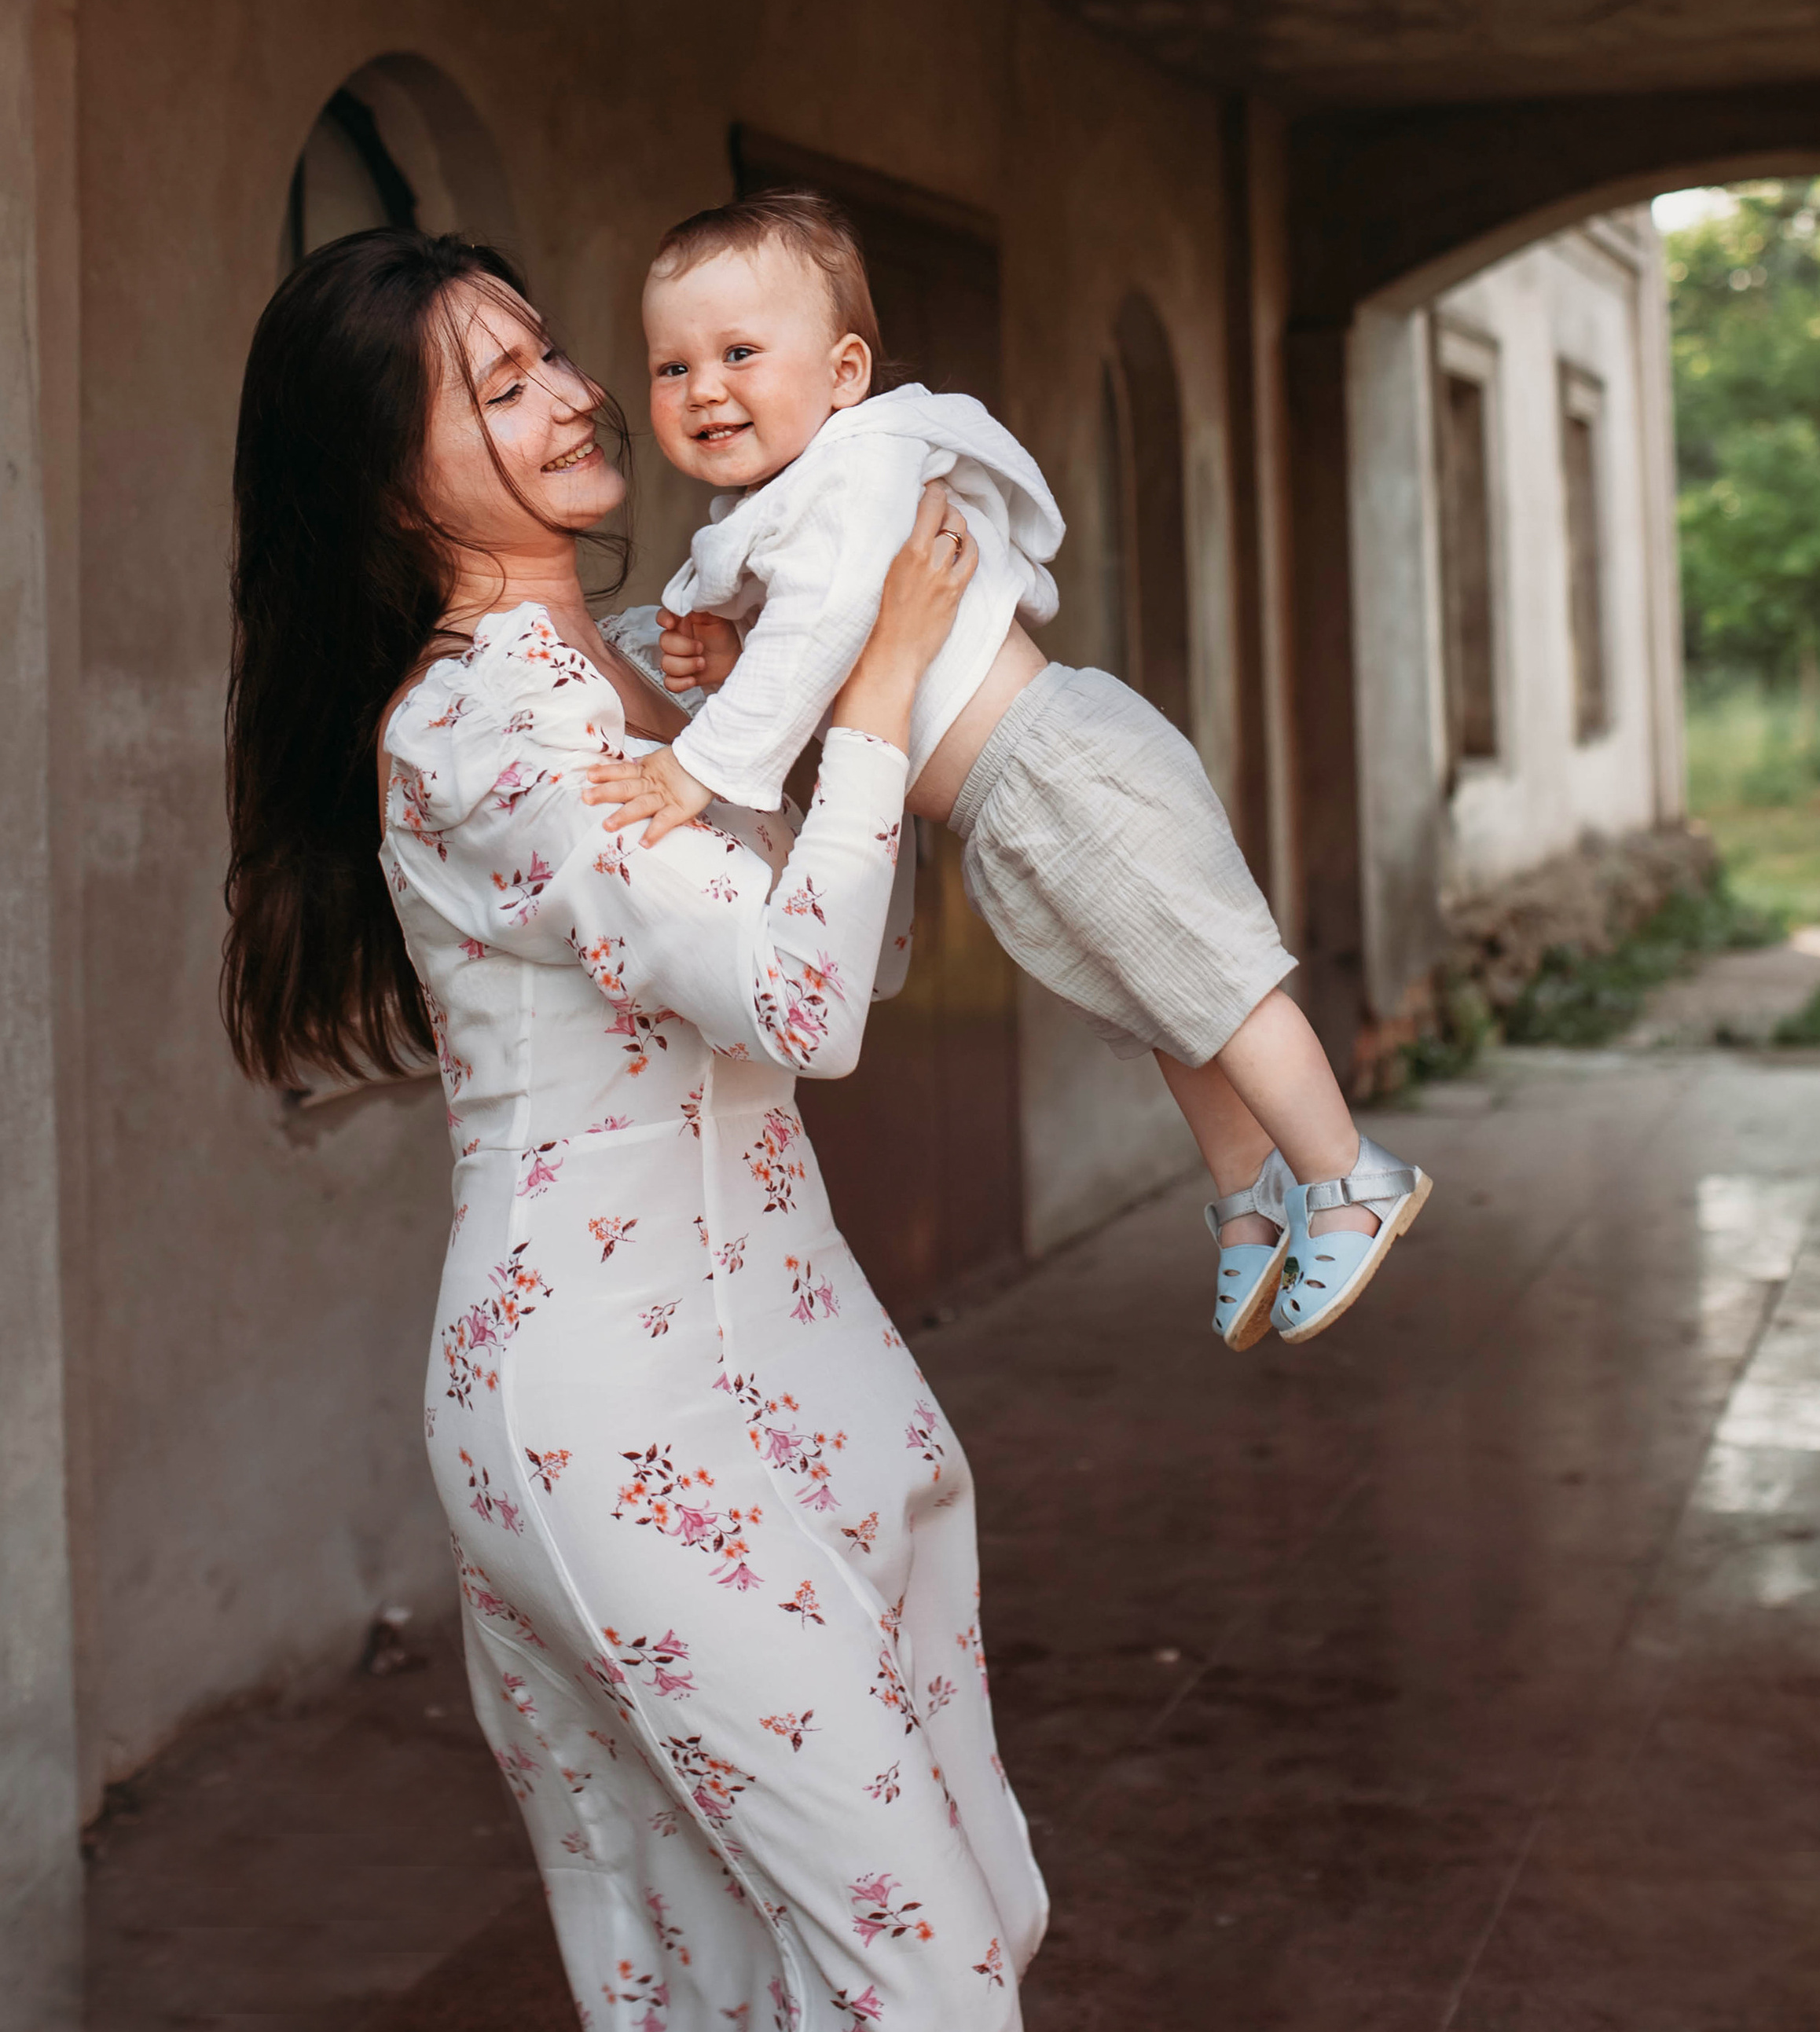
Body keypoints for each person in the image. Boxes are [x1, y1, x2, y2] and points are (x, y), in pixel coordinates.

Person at [222, 229, 1046, 2031]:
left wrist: (796, 716)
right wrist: (877, 693)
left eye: (550, 354)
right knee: (915, 1969)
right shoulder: (493, 725)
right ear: (389, 485)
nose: (582, 395)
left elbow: (860, 949)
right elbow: (805, 1010)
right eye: (501, 388)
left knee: (934, 1913)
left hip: (792, 1343)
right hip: (613, 1409)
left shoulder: (623, 683)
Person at [588, 191, 1429, 1353]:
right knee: (1160, 1001)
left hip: (1058, 765)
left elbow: (829, 629)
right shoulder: (788, 508)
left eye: (739, 353)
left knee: (1219, 981)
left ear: (844, 372)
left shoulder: (857, 472)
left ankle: (1349, 1175)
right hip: (1005, 809)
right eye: (672, 366)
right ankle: (1254, 1198)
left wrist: (701, 764)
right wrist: (734, 662)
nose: (704, 389)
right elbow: (845, 676)